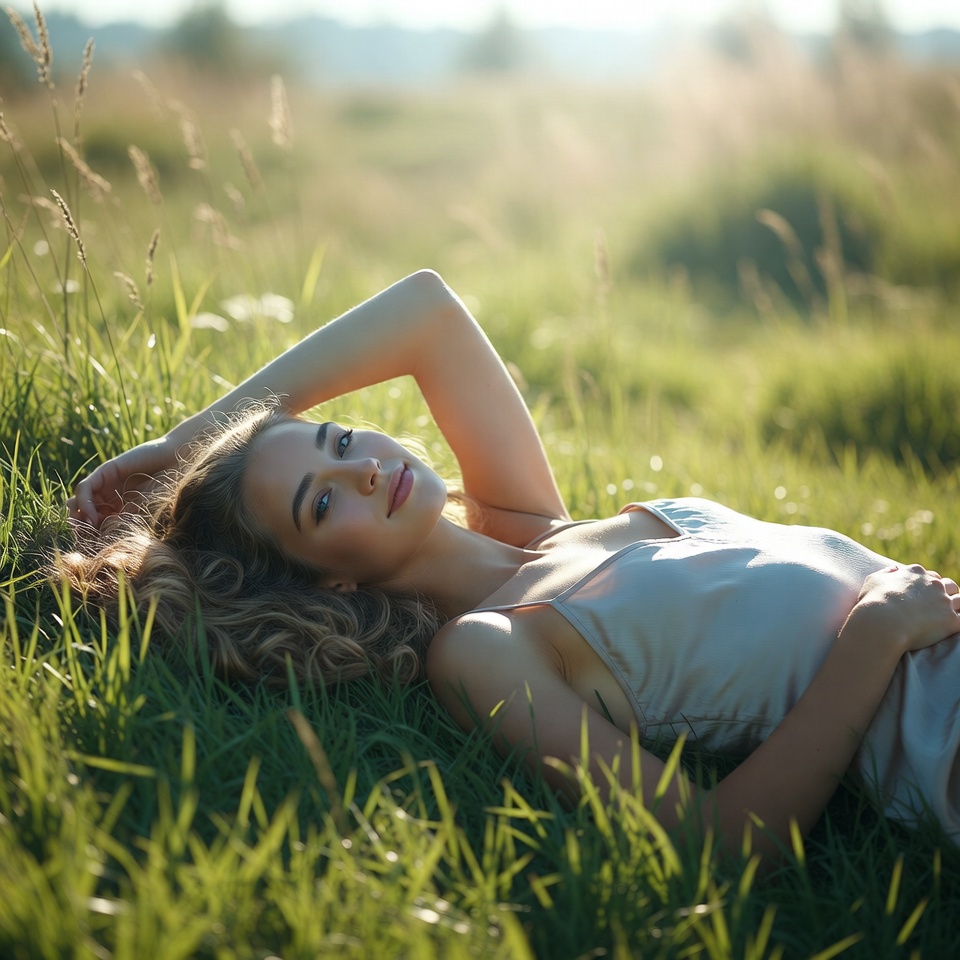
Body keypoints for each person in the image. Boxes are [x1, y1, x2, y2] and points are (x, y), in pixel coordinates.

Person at [65, 269, 960, 857]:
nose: (362, 466)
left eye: (336, 438)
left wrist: (183, 445)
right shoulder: (483, 652)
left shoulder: (539, 524)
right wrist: (876, 635)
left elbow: (426, 310)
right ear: (324, 581)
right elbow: (717, 845)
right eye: (322, 501)